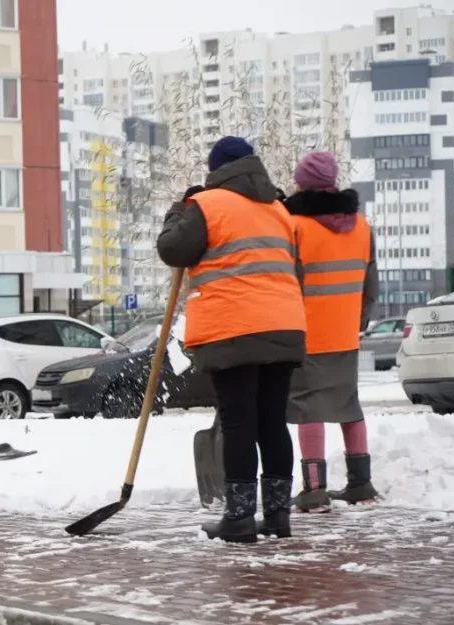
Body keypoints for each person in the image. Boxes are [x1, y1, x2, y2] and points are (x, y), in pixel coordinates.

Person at [157, 136, 307, 543]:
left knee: (238, 422)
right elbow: (296, 270)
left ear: (217, 169)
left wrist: (177, 211)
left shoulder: (206, 205)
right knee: (272, 421)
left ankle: (239, 518)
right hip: (283, 325)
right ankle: (277, 516)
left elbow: (173, 249)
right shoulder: (279, 209)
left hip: (234, 327)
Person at [284, 152, 380, 512]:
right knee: (348, 405)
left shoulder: (295, 226)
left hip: (307, 332)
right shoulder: (362, 226)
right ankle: (361, 484)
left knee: (310, 409)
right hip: (344, 333)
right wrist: (356, 320)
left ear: (301, 185)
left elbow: (288, 283)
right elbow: (371, 285)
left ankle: (314, 490)